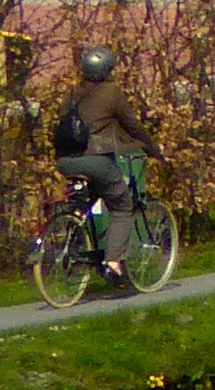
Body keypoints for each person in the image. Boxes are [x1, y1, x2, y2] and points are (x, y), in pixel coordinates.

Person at [49, 44, 152, 284]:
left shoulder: (73, 93)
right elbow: (130, 124)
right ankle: (113, 262)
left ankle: (75, 232)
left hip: (65, 161)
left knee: (88, 200)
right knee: (122, 206)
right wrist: (151, 147)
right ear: (108, 69)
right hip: (96, 161)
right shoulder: (112, 92)